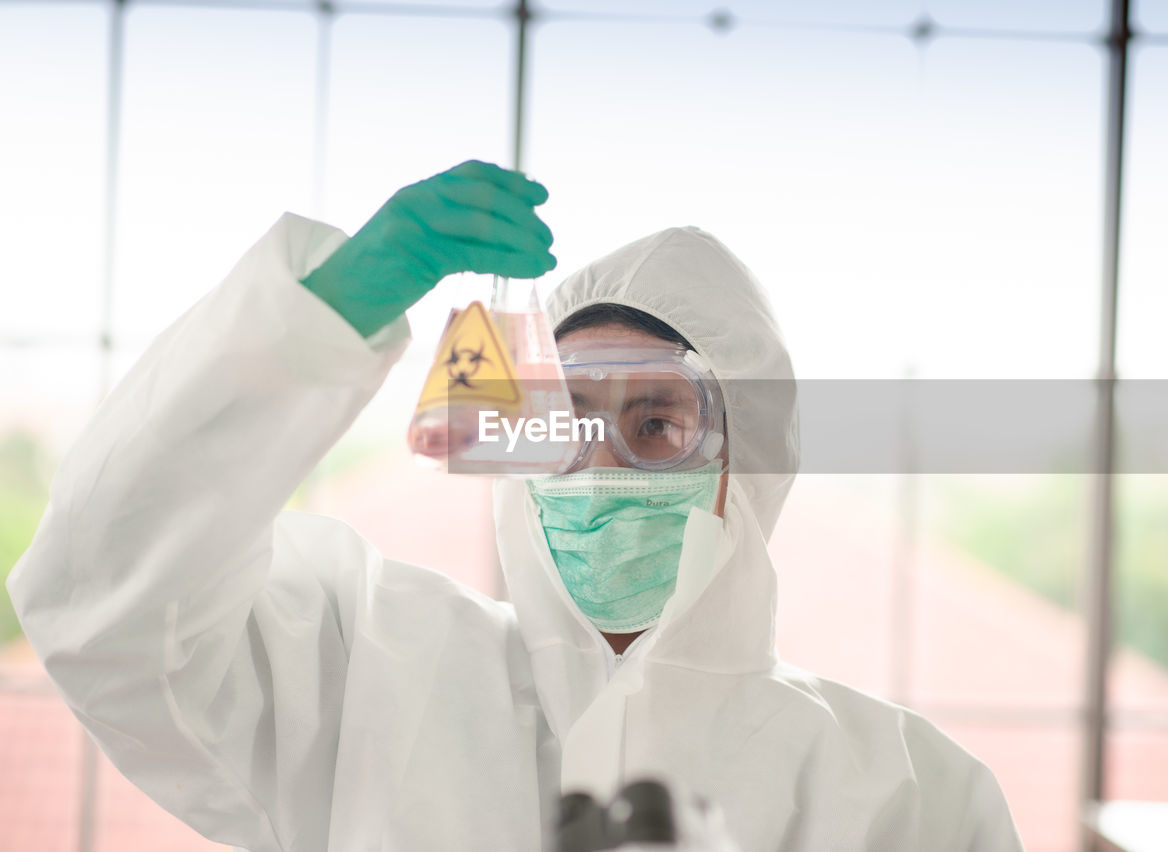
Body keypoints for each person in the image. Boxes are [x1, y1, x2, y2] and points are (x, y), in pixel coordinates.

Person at [9, 160, 1023, 851]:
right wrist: (318, 317)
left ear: (746, 463)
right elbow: (104, 596)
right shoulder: (363, 665)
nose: (599, 466)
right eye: (567, 419)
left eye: (656, 424)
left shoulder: (912, 795)